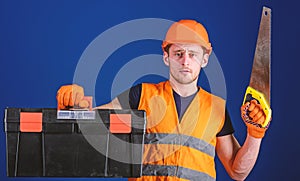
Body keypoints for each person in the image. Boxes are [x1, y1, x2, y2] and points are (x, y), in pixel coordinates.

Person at [56, 19, 270, 181]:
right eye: (178, 53)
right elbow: (91, 123)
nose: (185, 61)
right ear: (166, 57)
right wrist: (75, 105)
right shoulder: (141, 95)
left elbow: (237, 172)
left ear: (204, 59)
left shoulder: (216, 108)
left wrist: (255, 134)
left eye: (193, 54)